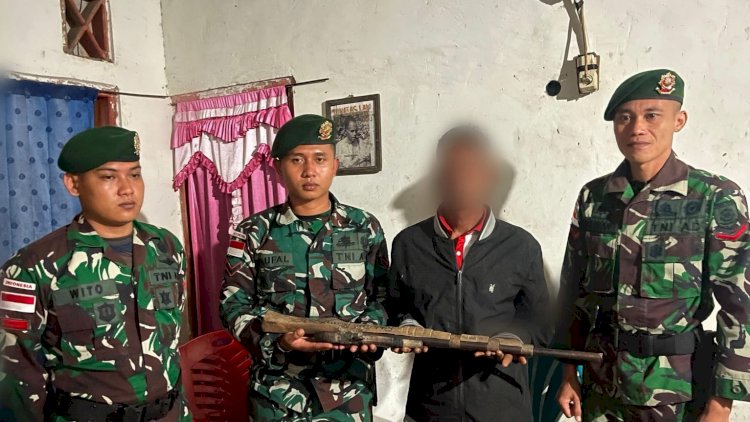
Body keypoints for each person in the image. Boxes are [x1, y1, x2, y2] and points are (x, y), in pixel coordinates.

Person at [555, 69, 750, 421]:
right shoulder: (594, 198)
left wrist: (721, 405)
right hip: (602, 390)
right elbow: (573, 294)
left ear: (679, 121)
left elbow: (740, 305)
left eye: (651, 116)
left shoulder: (715, 197)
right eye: (624, 118)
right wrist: (569, 372)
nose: (637, 128)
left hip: (676, 393)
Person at [0, 126, 190, 421]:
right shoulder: (33, 266)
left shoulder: (165, 246)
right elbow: (15, 371)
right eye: (108, 177)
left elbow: (172, 340)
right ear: (73, 184)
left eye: (135, 174)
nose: (127, 189)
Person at [220, 114, 389, 421]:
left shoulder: (364, 227)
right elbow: (233, 304)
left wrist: (369, 332)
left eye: (320, 159)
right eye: (297, 160)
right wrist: (276, 343)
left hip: (347, 393)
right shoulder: (254, 232)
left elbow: (383, 297)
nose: (309, 171)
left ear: (335, 165)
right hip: (276, 394)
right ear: (277, 168)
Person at [387, 126, 552, 421]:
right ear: (439, 176)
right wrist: (407, 325)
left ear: (488, 176)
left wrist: (514, 336)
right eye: (452, 168)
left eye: (472, 169)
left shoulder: (521, 246)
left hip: (502, 406)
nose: (461, 179)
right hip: (430, 406)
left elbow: (540, 322)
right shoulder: (408, 244)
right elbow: (394, 306)